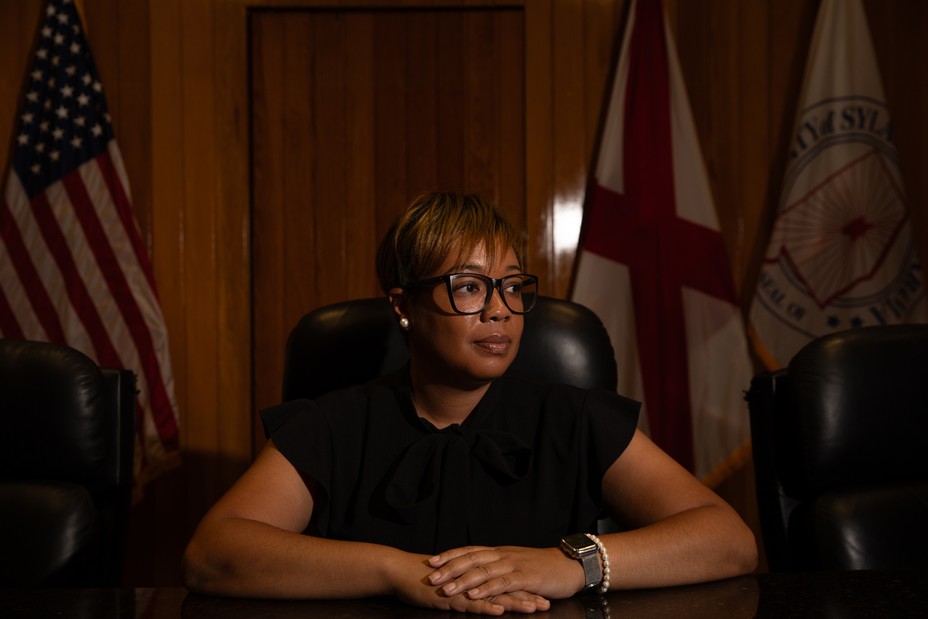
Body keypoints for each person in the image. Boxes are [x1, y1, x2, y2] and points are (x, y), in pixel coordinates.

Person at [183, 192, 757, 614]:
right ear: (404, 305)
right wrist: (396, 570)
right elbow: (214, 552)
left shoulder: (573, 417)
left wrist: (571, 563)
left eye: (511, 286)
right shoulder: (333, 424)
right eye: (469, 286)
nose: (499, 310)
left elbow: (727, 540)